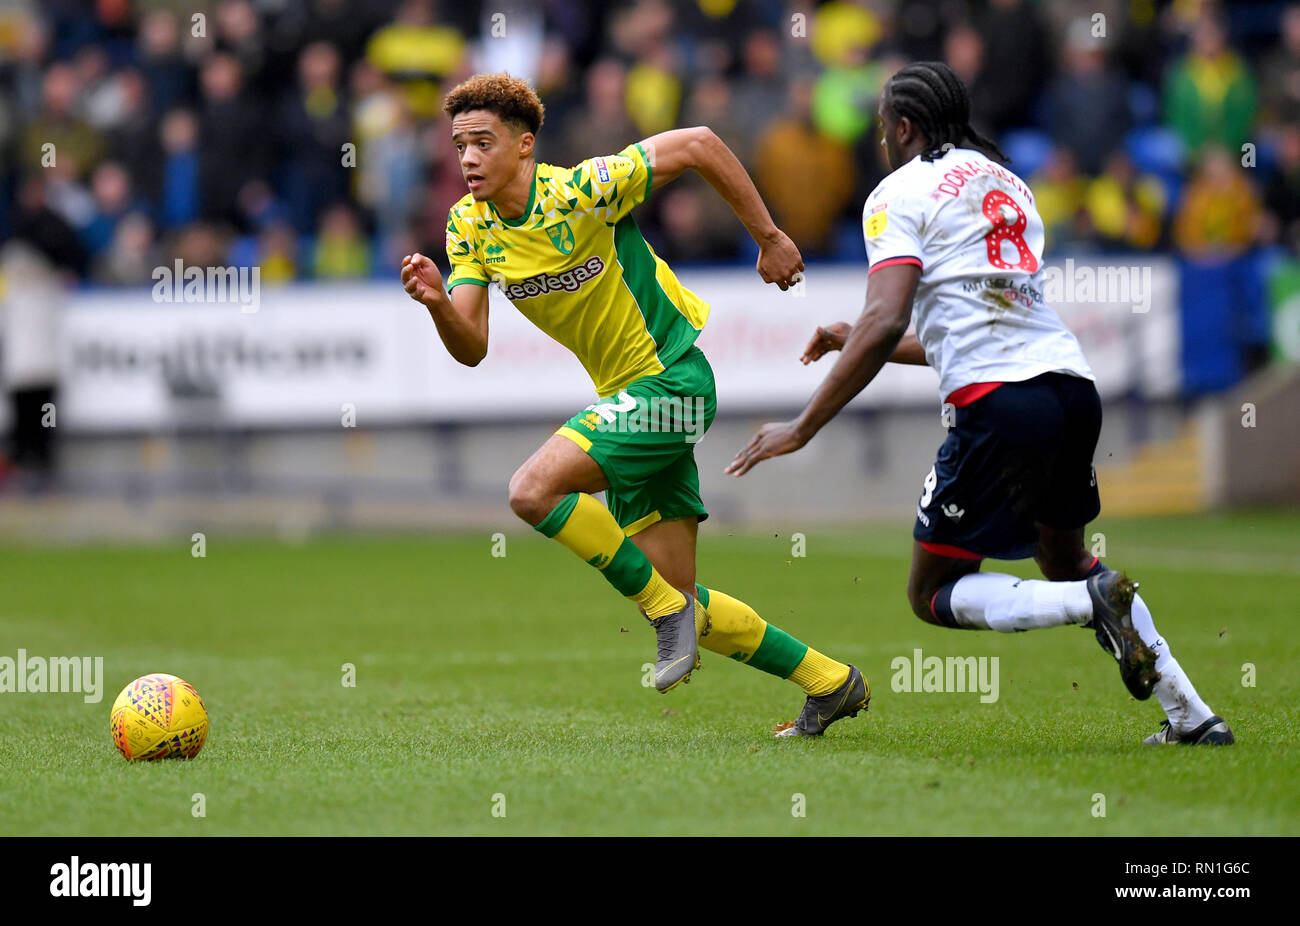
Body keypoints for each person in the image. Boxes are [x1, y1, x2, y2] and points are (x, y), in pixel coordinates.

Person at [726, 62, 1233, 746]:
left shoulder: (897, 192)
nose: (880, 139)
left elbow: (886, 322)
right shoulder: (1009, 181)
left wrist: (802, 426)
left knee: (932, 591)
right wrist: (860, 340)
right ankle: (1192, 717)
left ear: (904, 127)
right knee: (1066, 560)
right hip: (1069, 390)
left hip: (1001, 406)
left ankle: (1092, 604)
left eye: (882, 126)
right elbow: (970, 330)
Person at [400, 74, 868, 737]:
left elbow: (702, 143)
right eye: (459, 145)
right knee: (683, 597)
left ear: (525, 145)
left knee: (531, 491)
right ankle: (830, 682)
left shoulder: (585, 189)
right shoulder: (469, 228)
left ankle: (659, 613)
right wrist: (440, 304)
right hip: (629, 401)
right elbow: (471, 346)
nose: (468, 158)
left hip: (673, 383)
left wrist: (768, 237)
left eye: (483, 142)